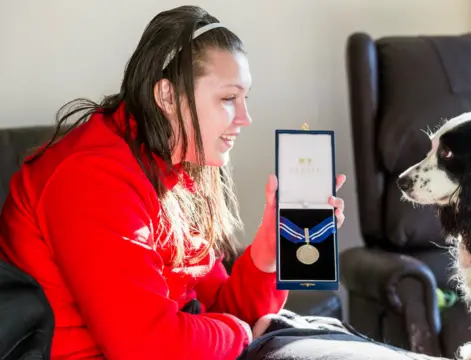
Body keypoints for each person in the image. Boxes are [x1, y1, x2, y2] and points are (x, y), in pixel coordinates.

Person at [0, 5, 346, 360]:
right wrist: (242, 334)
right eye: (228, 98)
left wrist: (267, 253)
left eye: (246, 98)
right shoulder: (91, 177)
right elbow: (148, 346)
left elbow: (220, 306)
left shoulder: (174, 170)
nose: (245, 117)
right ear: (166, 96)